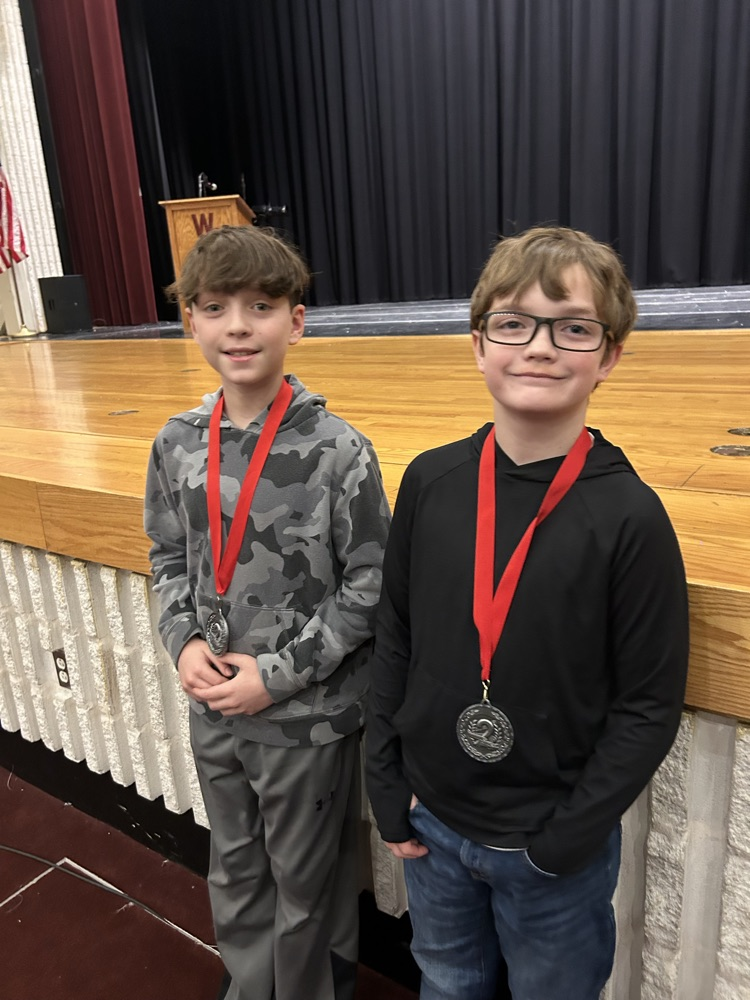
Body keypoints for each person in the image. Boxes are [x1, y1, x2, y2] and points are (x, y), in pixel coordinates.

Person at [365, 226, 689, 1000]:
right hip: (432, 825)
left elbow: (648, 706)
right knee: (446, 984)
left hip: (552, 852)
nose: (540, 347)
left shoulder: (629, 518)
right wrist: (385, 779)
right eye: (514, 324)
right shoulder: (432, 481)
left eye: (573, 327)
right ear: (479, 344)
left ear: (607, 356)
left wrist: (562, 842)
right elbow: (396, 635)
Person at [145, 224, 390, 1000]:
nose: (238, 326)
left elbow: (370, 589)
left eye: (260, 305)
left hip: (305, 719)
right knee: (235, 862)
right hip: (213, 709)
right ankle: (252, 986)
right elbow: (168, 559)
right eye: (215, 307)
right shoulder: (177, 443)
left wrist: (277, 676)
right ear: (191, 322)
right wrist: (181, 640)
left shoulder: (338, 450)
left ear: (297, 320)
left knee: (307, 883)